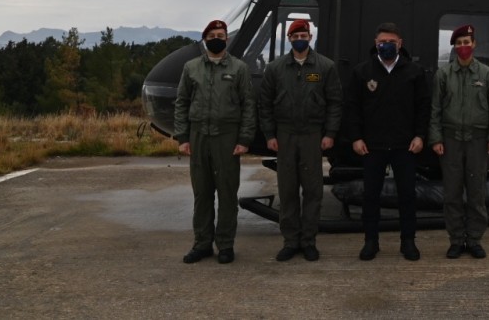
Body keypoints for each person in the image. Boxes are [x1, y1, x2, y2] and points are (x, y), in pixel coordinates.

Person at [258, 19, 343, 262]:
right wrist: (270, 135)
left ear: (310, 36)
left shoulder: (325, 67)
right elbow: (264, 105)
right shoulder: (275, 69)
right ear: (289, 38)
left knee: (313, 190)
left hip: (312, 136)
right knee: (287, 191)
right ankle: (290, 241)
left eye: (303, 34)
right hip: (284, 136)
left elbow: (335, 103)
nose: (299, 39)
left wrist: (329, 134)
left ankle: (308, 241)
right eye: (294, 36)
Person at [345, 22, 431, 261]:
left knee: (407, 196)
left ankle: (408, 242)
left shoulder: (414, 72)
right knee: (371, 196)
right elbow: (352, 107)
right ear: (376, 44)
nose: (387, 46)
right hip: (373, 146)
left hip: (406, 146)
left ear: (400, 44)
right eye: (382, 42)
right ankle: (371, 241)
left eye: (391, 42)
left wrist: (420, 135)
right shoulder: (362, 72)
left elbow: (424, 107)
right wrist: (356, 137)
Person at [173, 19, 256, 265]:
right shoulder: (191, 68)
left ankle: (226, 245)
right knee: (202, 194)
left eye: (221, 34)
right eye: (212, 35)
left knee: (228, 194)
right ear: (205, 39)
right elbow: (182, 103)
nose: (217, 38)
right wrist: (182, 137)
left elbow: (248, 105)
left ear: (227, 39)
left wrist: (244, 139)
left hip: (227, 137)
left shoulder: (239, 69)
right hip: (199, 136)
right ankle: (201, 244)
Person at [429, 23, 489, 259]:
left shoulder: (487, 75)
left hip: (478, 142)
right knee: (451, 194)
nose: (463, 47)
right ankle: (455, 240)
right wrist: (436, 138)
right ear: (454, 47)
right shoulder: (443, 75)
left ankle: (474, 239)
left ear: (474, 45)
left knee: (476, 193)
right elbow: (435, 110)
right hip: (451, 141)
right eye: (459, 43)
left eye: (467, 43)